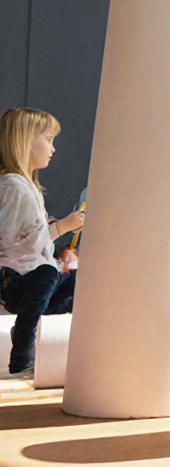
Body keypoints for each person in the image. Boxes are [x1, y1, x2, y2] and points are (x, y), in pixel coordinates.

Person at [0, 107, 82, 374]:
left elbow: (33, 241)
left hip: (31, 277)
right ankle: (21, 351)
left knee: (79, 282)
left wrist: (57, 250)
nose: (53, 148)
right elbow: (15, 244)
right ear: (25, 140)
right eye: (48, 139)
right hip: (13, 279)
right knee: (47, 274)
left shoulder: (27, 188)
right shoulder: (13, 187)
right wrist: (62, 227)